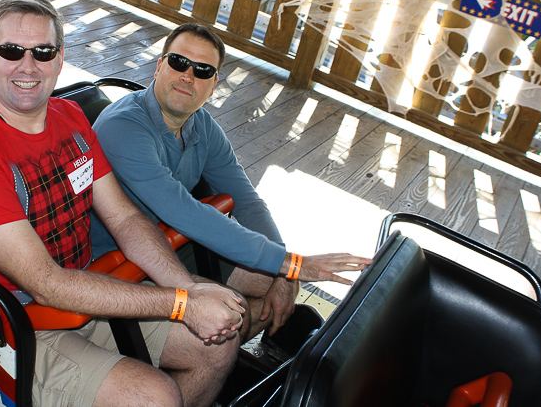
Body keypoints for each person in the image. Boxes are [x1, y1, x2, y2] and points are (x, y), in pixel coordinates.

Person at [0, 0, 244, 407]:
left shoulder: (71, 118)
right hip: (16, 325)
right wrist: (182, 304)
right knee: (154, 397)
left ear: (60, 59)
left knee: (219, 341)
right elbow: (47, 283)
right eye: (11, 51)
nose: (28, 66)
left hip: (83, 290)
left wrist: (184, 287)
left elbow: (126, 218)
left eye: (43, 52)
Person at [90, 22, 372, 342]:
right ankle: (215, 351)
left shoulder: (203, 126)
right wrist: (290, 264)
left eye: (203, 70)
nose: (188, 75)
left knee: (272, 283)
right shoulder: (123, 126)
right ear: (159, 67)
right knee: (234, 315)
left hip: (172, 241)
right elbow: (184, 211)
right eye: (179, 62)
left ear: (212, 86)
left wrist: (284, 267)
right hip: (118, 261)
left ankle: (227, 350)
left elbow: (247, 200)